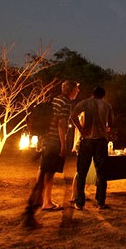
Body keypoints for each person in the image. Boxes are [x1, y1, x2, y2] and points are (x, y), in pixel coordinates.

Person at [24, 80, 80, 228]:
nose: (78, 92)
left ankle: (43, 201)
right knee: (49, 173)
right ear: (71, 90)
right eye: (77, 90)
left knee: (43, 171)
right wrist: (63, 145)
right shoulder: (66, 103)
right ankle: (45, 203)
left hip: (45, 140)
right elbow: (61, 124)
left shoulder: (54, 100)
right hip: (54, 141)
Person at [71, 86, 114, 210]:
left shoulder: (85, 103)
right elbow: (111, 123)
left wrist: (81, 129)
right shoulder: (107, 106)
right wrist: (106, 130)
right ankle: (100, 202)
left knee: (82, 172)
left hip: (87, 140)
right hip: (101, 141)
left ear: (92, 94)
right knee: (101, 173)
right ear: (103, 95)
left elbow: (73, 115)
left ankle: (79, 202)